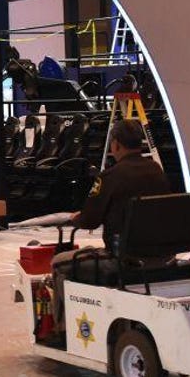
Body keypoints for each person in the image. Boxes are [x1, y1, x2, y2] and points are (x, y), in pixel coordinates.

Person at [49, 120, 171, 328]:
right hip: (161, 255)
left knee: (59, 262)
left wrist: (76, 217)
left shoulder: (110, 176)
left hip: (125, 259)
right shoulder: (157, 171)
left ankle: (64, 329)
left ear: (115, 145)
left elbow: (90, 220)